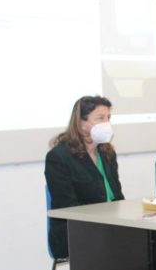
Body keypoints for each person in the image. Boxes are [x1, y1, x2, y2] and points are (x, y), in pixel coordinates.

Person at [45, 95, 125, 259]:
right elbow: (68, 206)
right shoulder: (59, 157)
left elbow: (117, 197)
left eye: (108, 118)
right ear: (81, 123)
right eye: (100, 118)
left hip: (110, 225)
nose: (106, 123)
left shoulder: (107, 153)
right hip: (76, 230)